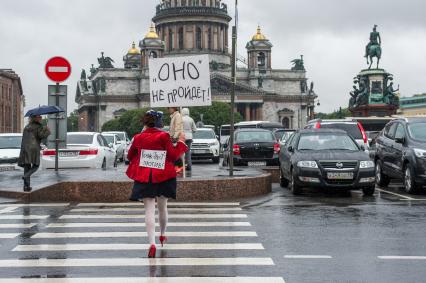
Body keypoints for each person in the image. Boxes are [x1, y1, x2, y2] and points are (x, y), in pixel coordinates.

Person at [126, 111, 188, 258]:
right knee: (162, 207)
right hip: (164, 176)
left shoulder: (138, 137)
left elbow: (129, 156)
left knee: (148, 210)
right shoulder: (163, 136)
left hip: (145, 177)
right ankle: (162, 234)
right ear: (160, 123)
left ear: (145, 122)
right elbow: (173, 156)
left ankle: (152, 243)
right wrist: (181, 143)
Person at [18, 115, 51, 192]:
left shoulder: (27, 126)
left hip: (25, 148)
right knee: (36, 165)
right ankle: (26, 176)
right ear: (35, 118)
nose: (41, 118)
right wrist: (47, 131)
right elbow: (41, 136)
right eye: (39, 117)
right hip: (34, 148)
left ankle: (26, 187)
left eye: (41, 117)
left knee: (27, 167)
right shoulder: (38, 126)